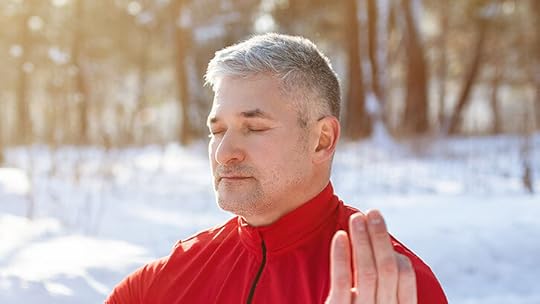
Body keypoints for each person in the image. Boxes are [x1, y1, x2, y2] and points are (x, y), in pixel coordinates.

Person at [105, 33, 447, 304]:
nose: (224, 154)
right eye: (217, 131)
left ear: (322, 139)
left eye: (253, 128)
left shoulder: (396, 287)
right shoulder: (168, 281)